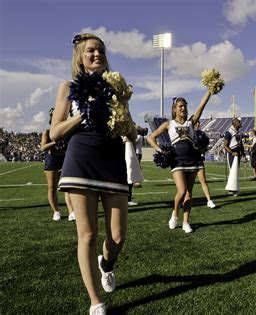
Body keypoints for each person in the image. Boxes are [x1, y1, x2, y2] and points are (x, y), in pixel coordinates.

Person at [50, 33, 136, 315]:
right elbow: (55, 131)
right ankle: (95, 301)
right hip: (81, 159)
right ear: (80, 56)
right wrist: (83, 114)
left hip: (112, 160)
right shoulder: (68, 86)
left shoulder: (116, 85)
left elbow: (129, 125)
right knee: (87, 235)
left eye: (99, 51)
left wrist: (129, 127)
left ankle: (106, 264)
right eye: (90, 51)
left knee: (118, 236)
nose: (96, 55)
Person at [147, 93, 212, 233]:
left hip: (193, 160)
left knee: (189, 194)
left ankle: (186, 222)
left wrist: (209, 90)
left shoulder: (191, 123)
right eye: (180, 106)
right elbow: (150, 137)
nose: (183, 108)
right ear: (175, 109)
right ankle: (175, 213)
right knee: (181, 191)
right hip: (177, 160)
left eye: (185, 106)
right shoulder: (168, 124)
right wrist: (160, 150)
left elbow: (202, 106)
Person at [40, 108, 75, 221]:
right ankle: (56, 212)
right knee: (52, 187)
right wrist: (55, 142)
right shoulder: (47, 132)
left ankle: (71, 212)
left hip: (64, 158)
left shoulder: (66, 131)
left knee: (67, 187)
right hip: (52, 160)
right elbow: (43, 147)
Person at [195, 121, 216, 209]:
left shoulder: (202, 135)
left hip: (198, 159)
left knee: (203, 180)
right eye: (196, 123)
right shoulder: (188, 133)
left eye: (199, 123)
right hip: (188, 160)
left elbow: (204, 150)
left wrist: (203, 147)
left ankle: (209, 200)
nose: (198, 125)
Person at [223, 118, 244, 196]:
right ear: (234, 123)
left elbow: (240, 144)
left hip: (238, 153)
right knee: (233, 171)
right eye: (239, 122)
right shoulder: (229, 132)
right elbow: (225, 145)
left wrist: (244, 154)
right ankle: (232, 189)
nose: (240, 123)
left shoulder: (239, 132)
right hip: (232, 154)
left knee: (236, 171)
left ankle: (233, 188)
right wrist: (232, 152)